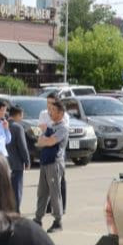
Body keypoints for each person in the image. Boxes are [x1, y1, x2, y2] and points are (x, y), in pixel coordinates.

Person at [32, 95, 67, 232]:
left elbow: (49, 141)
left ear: (61, 113)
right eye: (49, 109)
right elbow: (38, 138)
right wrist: (41, 138)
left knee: (54, 193)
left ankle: (58, 221)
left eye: (53, 110)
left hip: (54, 163)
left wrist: (43, 139)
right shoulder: (51, 125)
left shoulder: (63, 128)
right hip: (45, 162)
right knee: (42, 192)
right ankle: (38, 219)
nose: (50, 112)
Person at [4, 104, 32, 210]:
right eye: (22, 115)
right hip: (16, 165)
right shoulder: (17, 127)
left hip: (3, 163)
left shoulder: (3, 125)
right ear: (18, 115)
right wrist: (27, 161)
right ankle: (15, 212)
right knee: (16, 191)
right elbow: (22, 146)